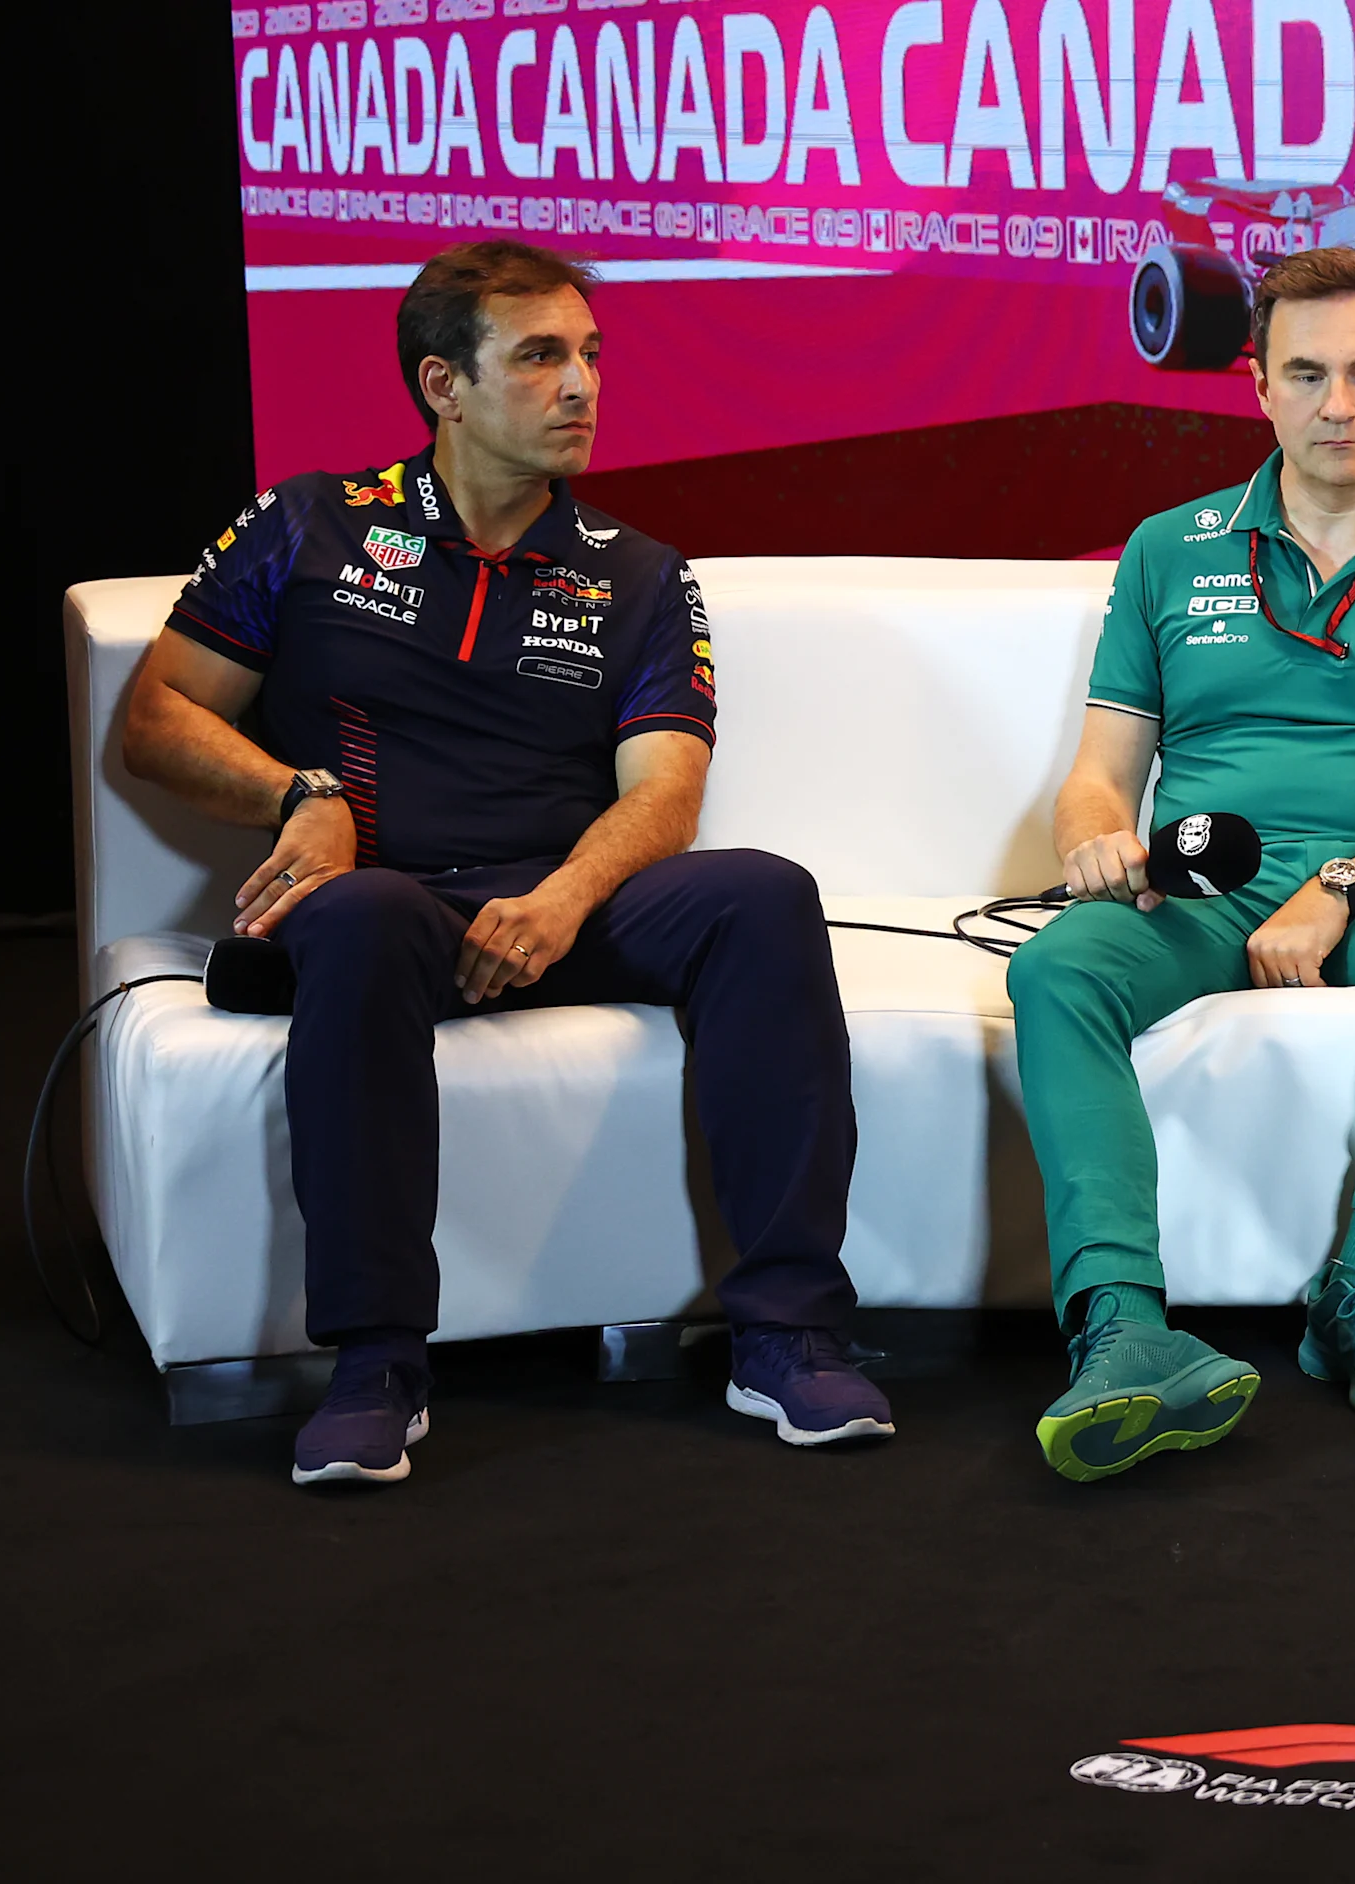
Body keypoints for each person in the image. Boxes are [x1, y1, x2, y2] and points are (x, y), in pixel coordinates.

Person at [122, 241, 892, 1488]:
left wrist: (562, 900)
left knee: (763, 894)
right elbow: (153, 720)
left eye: (589, 355)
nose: (581, 385)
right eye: (540, 357)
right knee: (364, 914)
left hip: (564, 903)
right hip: (385, 906)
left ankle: (787, 1332)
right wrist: (297, 794)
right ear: (443, 385)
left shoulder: (637, 572)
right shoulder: (310, 522)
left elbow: (667, 792)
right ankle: (377, 1362)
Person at [1009, 245, 1355, 1483]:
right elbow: (1100, 770)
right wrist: (1095, 835)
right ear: (1256, 385)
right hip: (1208, 876)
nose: (1337, 405)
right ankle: (1122, 1331)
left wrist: (1343, 885)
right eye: (1304, 374)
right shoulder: (1167, 548)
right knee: (1056, 971)